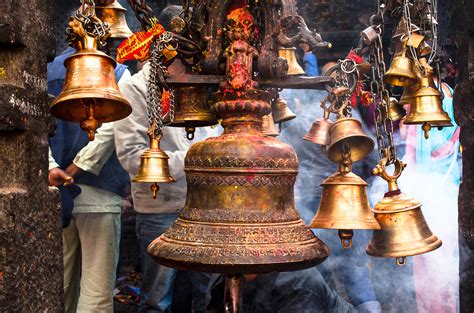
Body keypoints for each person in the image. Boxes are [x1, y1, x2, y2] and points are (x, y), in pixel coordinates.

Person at [278, 58, 383, 313]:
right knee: (354, 264)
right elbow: (374, 158)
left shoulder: (300, 123)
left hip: (316, 205)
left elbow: (280, 155)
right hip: (348, 201)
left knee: (319, 262)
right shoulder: (349, 117)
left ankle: (327, 304)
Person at [47, 45, 131, 311]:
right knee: (97, 288)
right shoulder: (118, 73)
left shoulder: (46, 71)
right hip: (100, 193)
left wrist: (51, 167)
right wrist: (78, 166)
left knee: (59, 283)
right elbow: (113, 130)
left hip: (56, 192)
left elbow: (35, 126)